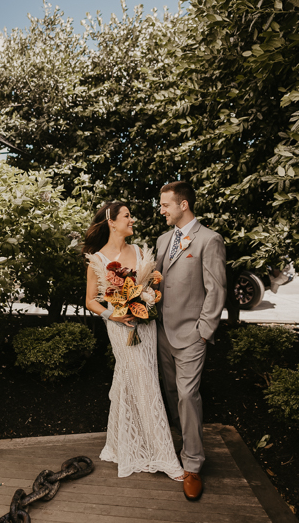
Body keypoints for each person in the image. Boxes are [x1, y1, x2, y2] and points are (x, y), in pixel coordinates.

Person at [83, 202, 184, 481]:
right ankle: (165, 455)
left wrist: (149, 296)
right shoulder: (98, 259)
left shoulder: (139, 251)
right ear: (112, 222)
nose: (132, 220)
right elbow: (91, 300)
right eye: (127, 216)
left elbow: (151, 287)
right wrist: (113, 315)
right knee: (145, 382)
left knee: (135, 378)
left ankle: (119, 444)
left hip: (145, 325)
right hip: (119, 327)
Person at [155, 181, 227, 501]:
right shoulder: (161, 240)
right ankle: (180, 442)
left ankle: (193, 465)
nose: (161, 210)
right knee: (171, 393)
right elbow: (157, 284)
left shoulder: (209, 240)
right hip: (161, 333)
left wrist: (204, 331)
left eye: (165, 204)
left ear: (183, 205)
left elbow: (217, 289)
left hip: (191, 336)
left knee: (187, 395)